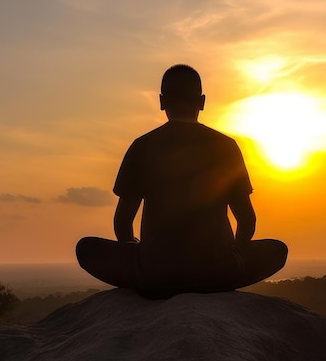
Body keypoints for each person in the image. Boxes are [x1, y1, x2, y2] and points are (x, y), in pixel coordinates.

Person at [76, 64, 287, 298]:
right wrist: (230, 257)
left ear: (162, 101)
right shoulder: (226, 146)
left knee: (86, 248)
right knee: (278, 249)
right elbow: (247, 221)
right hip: (217, 275)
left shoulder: (142, 146)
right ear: (202, 101)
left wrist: (140, 252)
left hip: (155, 276)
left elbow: (123, 223)